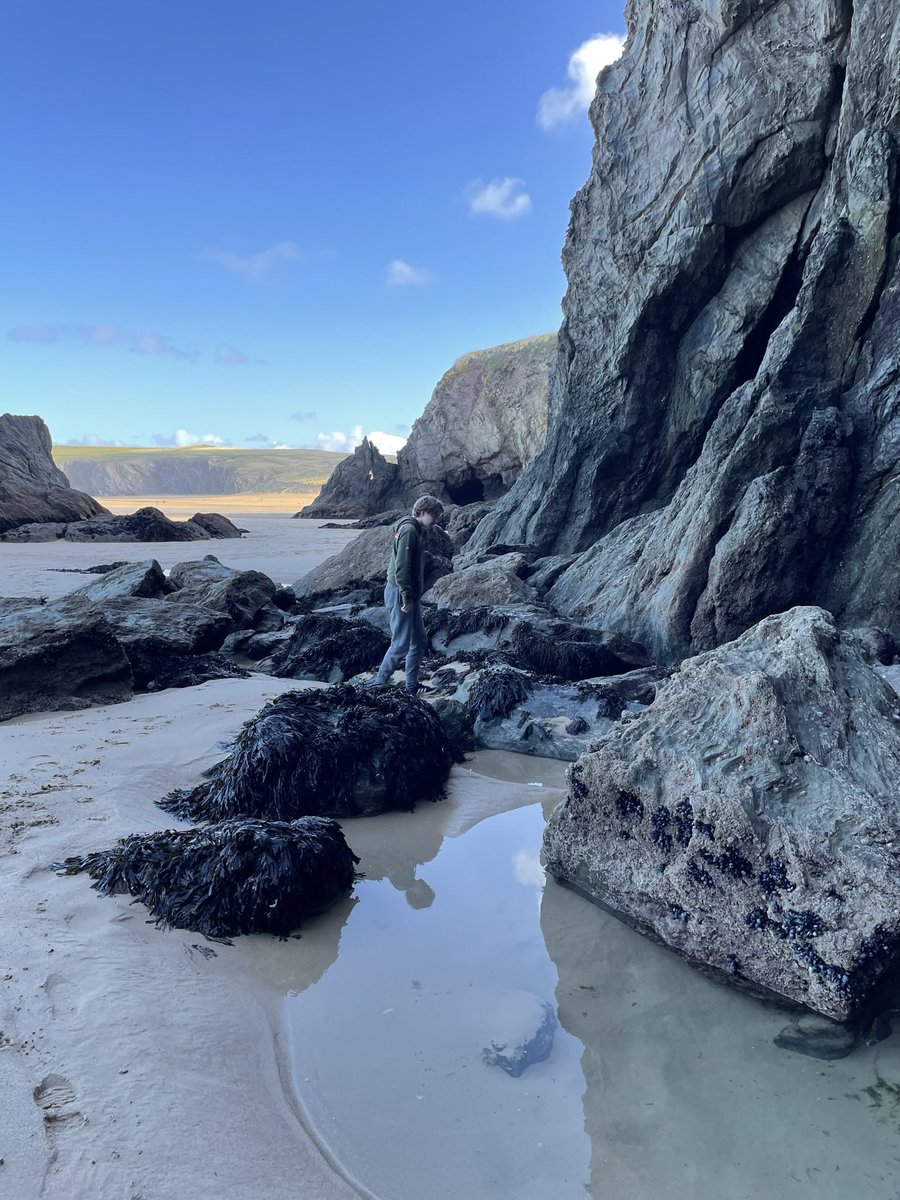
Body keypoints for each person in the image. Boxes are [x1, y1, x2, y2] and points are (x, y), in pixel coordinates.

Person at [372, 494, 444, 693]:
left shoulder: (414, 529)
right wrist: (406, 597)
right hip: (400, 592)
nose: (437, 519)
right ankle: (378, 683)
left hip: (408, 593)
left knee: (419, 640)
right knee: (401, 643)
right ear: (422, 512)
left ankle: (411, 685)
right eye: (434, 515)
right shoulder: (409, 530)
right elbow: (402, 568)